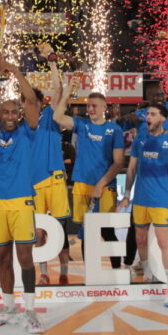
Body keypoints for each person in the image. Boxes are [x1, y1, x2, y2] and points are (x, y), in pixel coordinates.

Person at [0, 54, 44, 334]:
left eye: (13, 112)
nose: (8, 116)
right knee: (2, 257)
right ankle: (8, 306)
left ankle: (30, 310)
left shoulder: (28, 132)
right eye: (4, 112)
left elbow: (31, 100)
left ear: (19, 115)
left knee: (25, 257)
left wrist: (14, 70)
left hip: (20, 202)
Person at [117, 103, 168, 308]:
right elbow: (131, 169)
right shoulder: (141, 138)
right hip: (140, 199)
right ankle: (147, 273)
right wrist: (127, 194)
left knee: (164, 242)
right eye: (147, 114)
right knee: (140, 239)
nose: (148, 117)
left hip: (161, 201)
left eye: (153, 114)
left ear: (163, 118)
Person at [53, 77, 125, 269]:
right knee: (86, 232)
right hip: (82, 185)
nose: (90, 109)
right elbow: (57, 118)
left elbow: (119, 163)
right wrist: (68, 93)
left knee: (107, 230)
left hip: (105, 187)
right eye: (88, 105)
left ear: (104, 107)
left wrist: (101, 184)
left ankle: (117, 271)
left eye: (94, 105)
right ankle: (91, 274)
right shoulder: (82, 125)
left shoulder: (114, 130)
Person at [31, 58, 71, 286]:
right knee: (39, 233)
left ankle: (64, 270)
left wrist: (53, 64)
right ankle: (44, 272)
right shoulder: (21, 125)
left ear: (40, 102)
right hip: (34, 184)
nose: (29, 105)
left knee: (60, 230)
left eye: (32, 101)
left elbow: (59, 89)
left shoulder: (49, 115)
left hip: (54, 178)